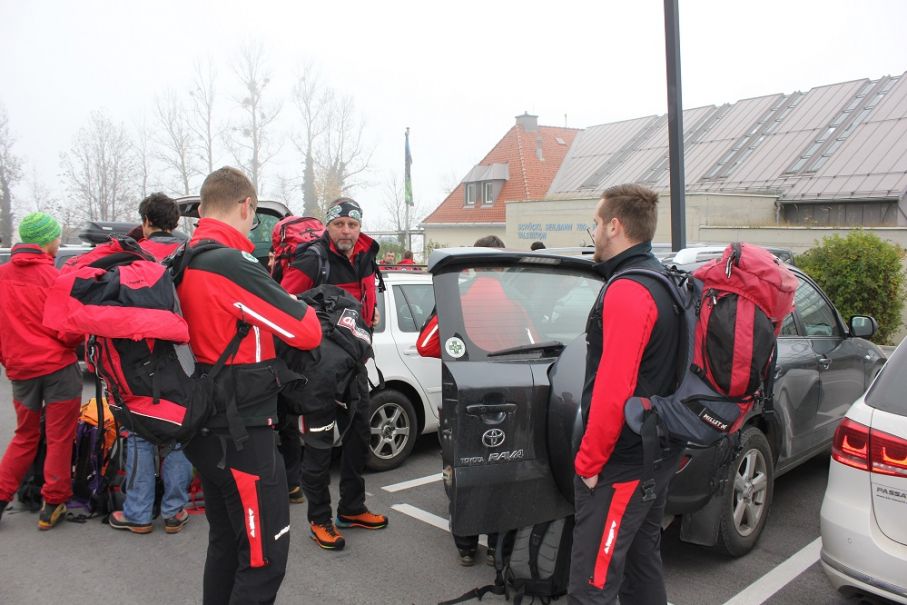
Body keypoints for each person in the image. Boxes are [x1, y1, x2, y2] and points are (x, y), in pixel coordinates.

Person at [177, 167, 322, 604]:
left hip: (202, 426)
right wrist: (294, 302)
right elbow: (307, 331)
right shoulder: (230, 263)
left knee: (226, 544)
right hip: (242, 435)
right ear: (247, 207)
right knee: (263, 558)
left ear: (202, 210)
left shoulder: (184, 259)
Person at [569, 184, 682, 604]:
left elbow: (612, 388)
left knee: (591, 585)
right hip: (658, 453)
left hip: (623, 464)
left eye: (596, 223)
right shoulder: (662, 278)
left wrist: (589, 463)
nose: (593, 232)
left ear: (615, 226)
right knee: (640, 564)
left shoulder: (628, 291)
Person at [280, 196, 387, 551]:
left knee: (359, 439)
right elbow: (282, 305)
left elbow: (367, 307)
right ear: (328, 225)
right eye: (339, 224)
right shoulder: (313, 258)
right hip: (318, 371)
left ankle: (352, 509)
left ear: (360, 227)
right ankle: (319, 521)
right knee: (319, 448)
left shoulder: (366, 257)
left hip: (355, 366)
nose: (346, 230)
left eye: (352, 224)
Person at [417, 234, 531, 566]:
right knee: (503, 471)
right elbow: (533, 344)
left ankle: (466, 545)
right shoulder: (516, 303)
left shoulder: (457, 299)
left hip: (463, 397)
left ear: (472, 262)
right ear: (501, 264)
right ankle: (499, 546)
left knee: (464, 471)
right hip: (508, 398)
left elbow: (426, 344)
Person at [107, 193, 193, 535]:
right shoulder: (192, 254)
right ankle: (175, 511)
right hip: (183, 352)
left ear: (145, 221)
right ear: (175, 222)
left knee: (139, 432)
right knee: (178, 433)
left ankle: (139, 513)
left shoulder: (129, 257)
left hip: (136, 358)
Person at [0, 212, 83, 530]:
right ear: (48, 241)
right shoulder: (55, 280)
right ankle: (53, 504)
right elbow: (69, 331)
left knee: (24, 436)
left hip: (21, 371)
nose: (59, 242)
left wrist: (10, 359)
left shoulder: (2, 276)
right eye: (57, 237)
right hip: (59, 369)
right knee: (59, 437)